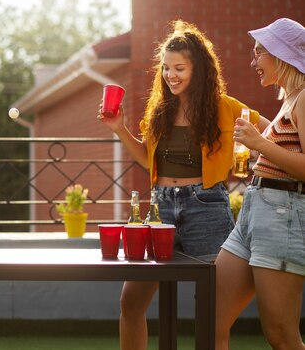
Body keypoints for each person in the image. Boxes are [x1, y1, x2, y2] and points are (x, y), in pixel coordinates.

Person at [97, 19, 270, 350]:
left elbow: (273, 129)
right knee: (130, 304)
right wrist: (119, 128)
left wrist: (259, 155)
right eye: (165, 68)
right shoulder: (161, 108)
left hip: (206, 208)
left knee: (212, 311)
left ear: (199, 69)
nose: (170, 75)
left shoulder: (226, 107)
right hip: (159, 209)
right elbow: (149, 161)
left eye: (179, 68)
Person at [215, 18, 305, 349]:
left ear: (281, 55)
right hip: (254, 214)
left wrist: (261, 144)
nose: (253, 62)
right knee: (211, 316)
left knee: (281, 335)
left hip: (283, 218)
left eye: (259, 53)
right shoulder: (290, 100)